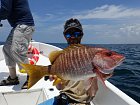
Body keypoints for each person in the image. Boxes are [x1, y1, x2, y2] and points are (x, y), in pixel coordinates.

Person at [40, 18, 98, 105]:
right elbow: (59, 87)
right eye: (68, 34)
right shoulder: (62, 57)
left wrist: (97, 75)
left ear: (81, 35)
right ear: (64, 36)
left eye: (76, 33)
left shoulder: (89, 56)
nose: (73, 37)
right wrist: (56, 79)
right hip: (62, 99)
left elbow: (92, 93)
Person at [0, 0, 35, 89]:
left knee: (17, 51)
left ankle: (32, 76)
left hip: (24, 25)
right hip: (17, 26)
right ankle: (13, 78)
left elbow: (5, 10)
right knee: (7, 49)